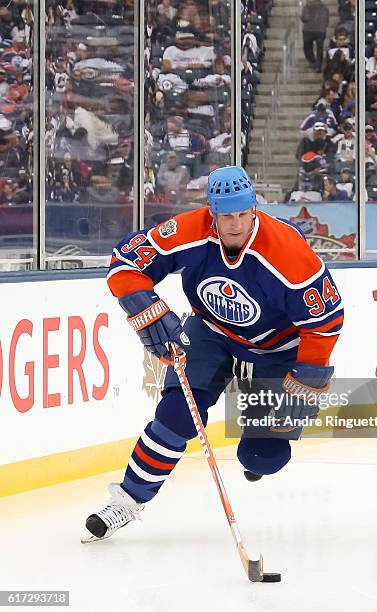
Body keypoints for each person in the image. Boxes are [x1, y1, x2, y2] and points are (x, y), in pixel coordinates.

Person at [82, 166, 344, 542]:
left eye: (242, 214)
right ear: (212, 212)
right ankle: (126, 500)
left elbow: (326, 321)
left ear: (254, 209)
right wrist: (144, 305)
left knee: (263, 457)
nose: (235, 225)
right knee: (176, 417)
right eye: (226, 216)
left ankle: (257, 442)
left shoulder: (288, 253)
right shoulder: (190, 230)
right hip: (211, 331)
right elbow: (126, 262)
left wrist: (307, 376)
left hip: (278, 347)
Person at [301, 0, 329, 72]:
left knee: (307, 47)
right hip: (321, 30)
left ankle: (312, 62)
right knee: (320, 48)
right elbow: (326, 20)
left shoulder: (307, 7)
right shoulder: (324, 7)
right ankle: (318, 64)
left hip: (308, 30)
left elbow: (304, 18)